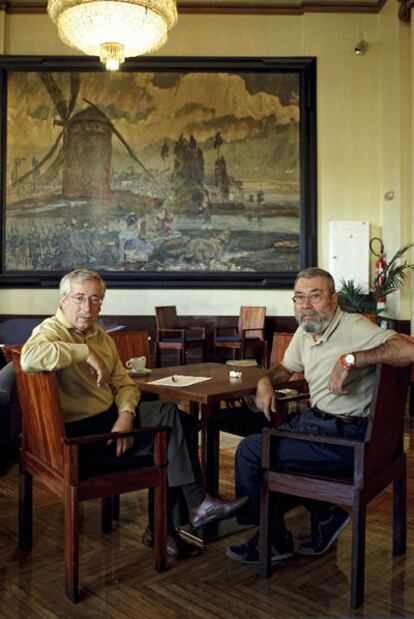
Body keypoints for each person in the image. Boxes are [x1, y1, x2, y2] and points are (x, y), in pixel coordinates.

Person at [20, 268, 247, 560]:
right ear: (63, 300)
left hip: (109, 420)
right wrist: (83, 353)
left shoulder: (101, 337)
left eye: (94, 299)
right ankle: (172, 523)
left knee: (180, 421)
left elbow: (126, 385)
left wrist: (125, 416)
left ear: (102, 303)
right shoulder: (50, 331)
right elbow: (28, 358)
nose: (87, 307)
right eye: (79, 298)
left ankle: (186, 513)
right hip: (82, 440)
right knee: (172, 439)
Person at [226, 267, 414, 564]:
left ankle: (274, 540)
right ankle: (325, 515)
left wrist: (351, 359)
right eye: (299, 298)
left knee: (252, 452)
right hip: (319, 424)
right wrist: (264, 379)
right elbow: (285, 369)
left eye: (315, 296)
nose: (306, 305)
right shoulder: (307, 330)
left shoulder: (352, 327)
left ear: (333, 299)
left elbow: (409, 349)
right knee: (265, 437)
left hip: (349, 437)